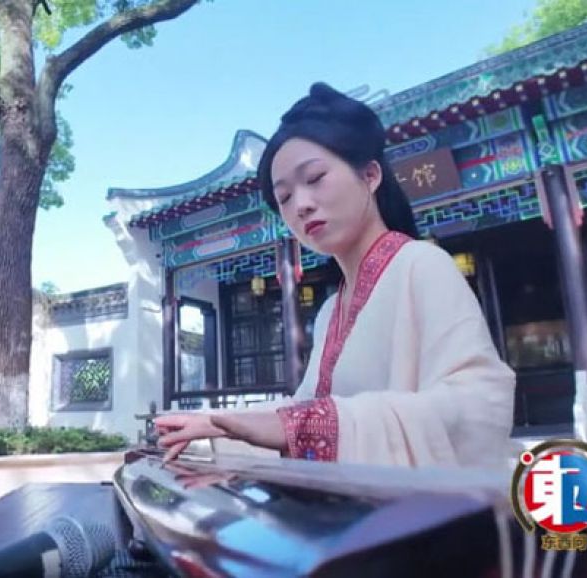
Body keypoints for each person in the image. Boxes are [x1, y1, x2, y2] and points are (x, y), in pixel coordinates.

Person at [156, 83, 516, 469]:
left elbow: (479, 409)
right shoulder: (331, 310)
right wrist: (217, 426)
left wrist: (306, 426)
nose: (301, 205)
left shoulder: (422, 265)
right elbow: (305, 409)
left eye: (314, 178)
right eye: (284, 197)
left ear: (371, 175)